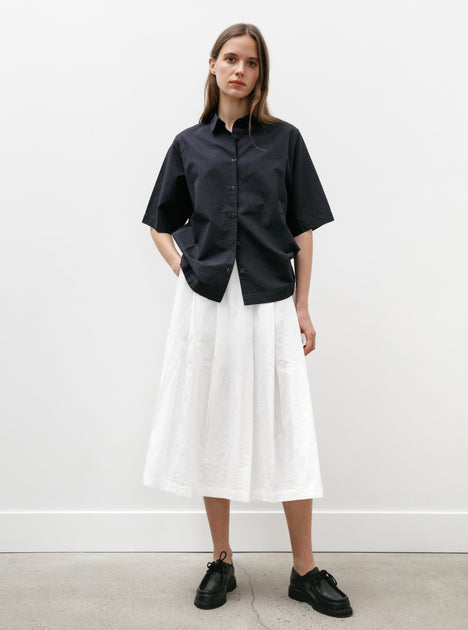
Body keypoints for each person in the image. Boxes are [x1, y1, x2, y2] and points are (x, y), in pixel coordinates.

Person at [141, 23, 353, 619]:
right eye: (231, 59)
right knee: (213, 419)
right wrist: (183, 268)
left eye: (252, 62)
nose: (240, 70)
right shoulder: (188, 144)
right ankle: (222, 559)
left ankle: (304, 569)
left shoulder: (285, 141)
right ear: (212, 65)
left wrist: (303, 306)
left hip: (271, 297)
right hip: (208, 300)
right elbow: (159, 222)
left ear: (261, 73)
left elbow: (303, 230)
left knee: (288, 424)